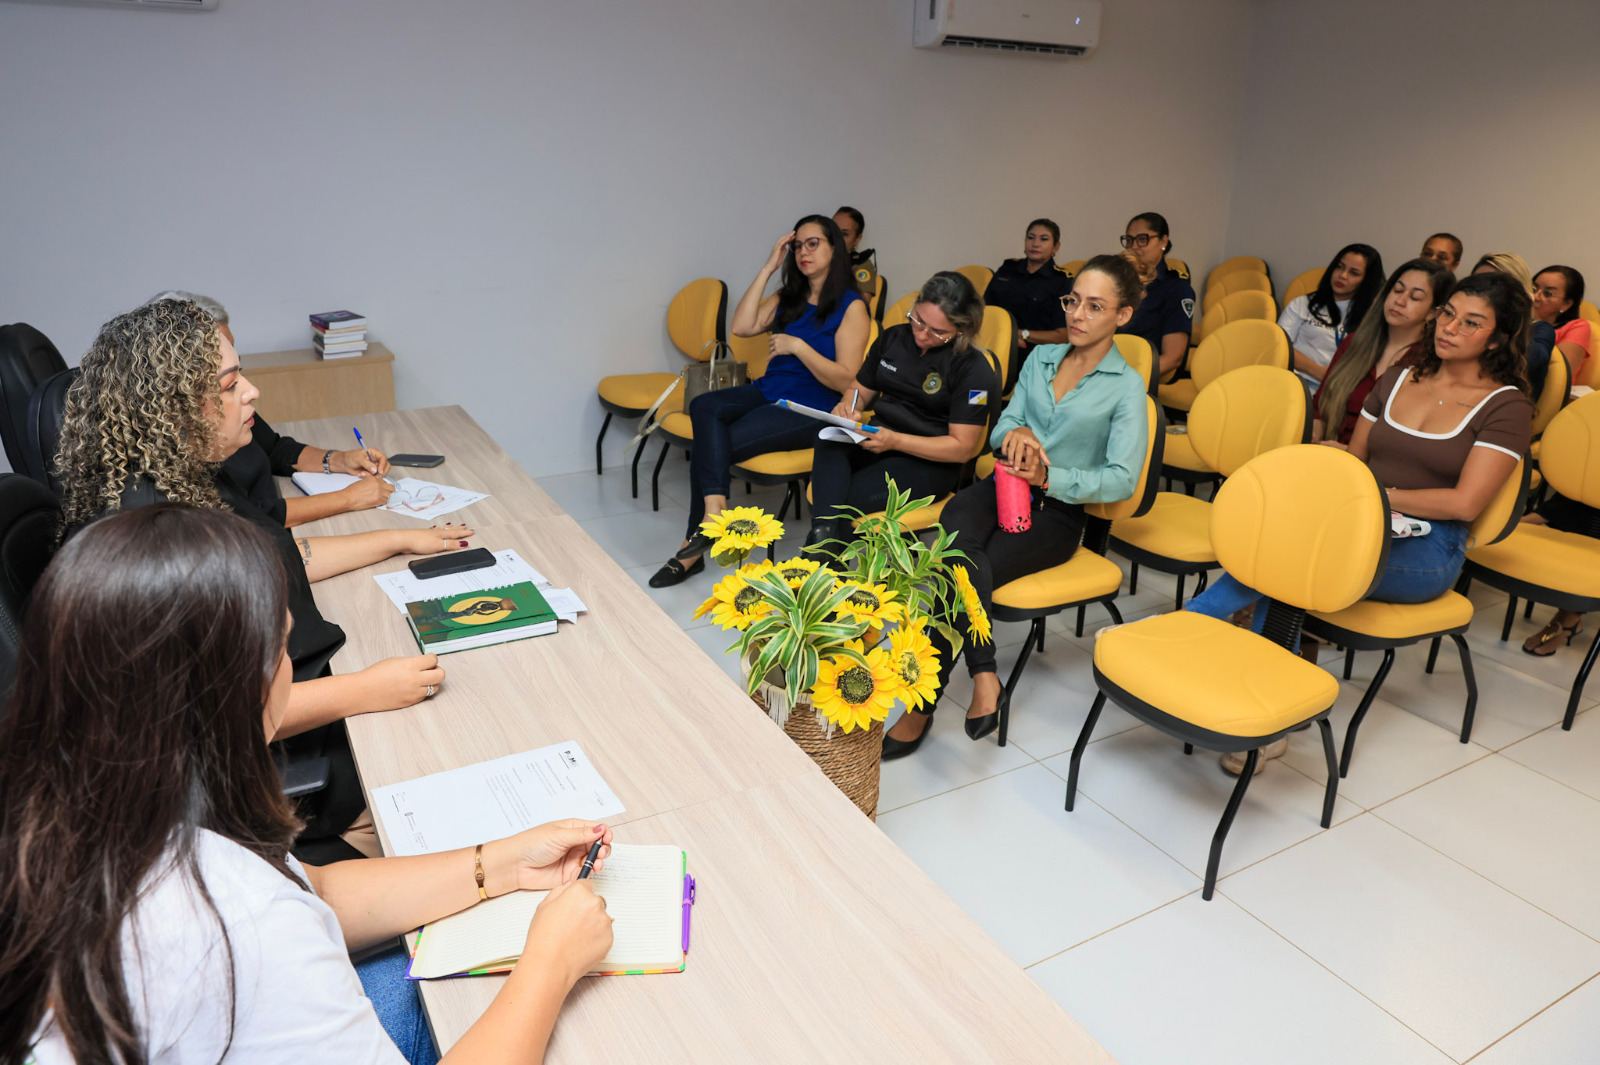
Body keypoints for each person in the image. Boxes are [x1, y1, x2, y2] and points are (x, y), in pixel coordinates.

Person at [2, 505, 616, 1065]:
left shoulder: (66, 809)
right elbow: (274, 913)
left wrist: (502, 864)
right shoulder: (234, 918)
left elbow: (312, 888)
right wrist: (551, 961)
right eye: (280, 647)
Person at [55, 299, 470, 846]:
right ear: (174, 408)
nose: (251, 392)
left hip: (312, 691)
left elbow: (277, 558)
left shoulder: (190, 475)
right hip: (277, 765)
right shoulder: (162, 538)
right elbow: (225, 716)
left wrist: (396, 539)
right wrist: (367, 688)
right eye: (229, 386)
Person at [1189, 272, 1534, 775]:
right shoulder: (1401, 375)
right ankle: (1260, 700)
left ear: (1498, 338)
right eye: (1449, 313)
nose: (1450, 327)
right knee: (1285, 559)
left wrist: (1378, 497)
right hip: (1361, 522)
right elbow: (1357, 457)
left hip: (1431, 548)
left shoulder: (1507, 405)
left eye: (1471, 322)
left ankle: (1203, 639)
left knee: (1290, 568)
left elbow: (1464, 504)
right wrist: (1342, 477)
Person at [883, 255, 1149, 759]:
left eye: (1096, 307)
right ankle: (986, 676)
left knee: (951, 569)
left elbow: (1121, 479)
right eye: (1074, 302)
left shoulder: (1126, 387)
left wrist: (1051, 475)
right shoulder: (1041, 361)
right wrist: (1017, 432)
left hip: (1058, 511)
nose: (1078, 315)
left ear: (1123, 316)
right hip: (1003, 485)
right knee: (956, 525)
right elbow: (1002, 429)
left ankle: (922, 706)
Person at [650, 215, 869, 587]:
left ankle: (691, 549)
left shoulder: (852, 307)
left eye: (813, 243)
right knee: (705, 407)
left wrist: (798, 347)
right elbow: (742, 326)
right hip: (769, 390)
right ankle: (715, 512)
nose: (803, 252)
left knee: (711, 445)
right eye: (797, 246)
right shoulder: (790, 297)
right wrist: (770, 266)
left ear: (835, 248)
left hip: (810, 407)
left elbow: (847, 378)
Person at [148, 291, 395, 528]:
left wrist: (341, 460)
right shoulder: (176, 457)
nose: (252, 391)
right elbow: (248, 518)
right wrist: (347, 499)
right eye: (229, 381)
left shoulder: (235, 410)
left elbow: (276, 449)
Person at [805, 272, 1000, 548]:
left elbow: (962, 448)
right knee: (827, 435)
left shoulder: (972, 367)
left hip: (928, 461)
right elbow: (858, 390)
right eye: (918, 319)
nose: (921, 334)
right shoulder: (894, 338)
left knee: (843, 500)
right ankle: (822, 537)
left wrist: (895, 441)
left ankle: (823, 561)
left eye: (937, 332)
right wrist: (848, 407)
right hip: (879, 437)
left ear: (962, 329)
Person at [1522, 264, 1593, 657]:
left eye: (1549, 293)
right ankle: (1552, 514)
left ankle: (1569, 615)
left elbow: (1561, 371)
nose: (1537, 297)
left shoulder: (1570, 329)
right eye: (1535, 289)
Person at [1313, 258, 1453, 445]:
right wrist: (1315, 432)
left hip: (1377, 466)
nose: (1400, 301)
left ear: (1432, 313)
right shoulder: (1356, 341)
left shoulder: (1430, 363)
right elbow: (1320, 405)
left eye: (1415, 297)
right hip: (1324, 449)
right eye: (1397, 290)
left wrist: (1348, 452)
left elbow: (1407, 442)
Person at [983, 218, 1074, 390]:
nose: (1035, 243)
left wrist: (1021, 334)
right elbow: (986, 311)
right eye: (1030, 237)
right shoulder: (1008, 269)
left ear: (1056, 247)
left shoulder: (1063, 281)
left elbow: (1063, 335)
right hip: (995, 348)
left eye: (1044, 239)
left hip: (1034, 355)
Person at [1276, 244, 1384, 386]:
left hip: (1338, 390)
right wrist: (1320, 372)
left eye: (1354, 273)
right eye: (1339, 267)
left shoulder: (1372, 318)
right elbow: (1280, 348)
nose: (1342, 275)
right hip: (1293, 378)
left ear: (1367, 281)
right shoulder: (1303, 304)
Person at [1115, 211, 1194, 381]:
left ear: (1163, 241)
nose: (1134, 246)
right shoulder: (1119, 282)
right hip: (1109, 368)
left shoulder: (1177, 288)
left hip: (1140, 377)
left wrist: (1125, 381)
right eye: (1129, 240)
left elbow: (1173, 358)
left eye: (1143, 239)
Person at [1472, 252, 1552, 393]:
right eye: (1476, 284)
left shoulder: (1541, 330)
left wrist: (1520, 309)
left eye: (1493, 285)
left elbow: (1519, 362)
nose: (1482, 293)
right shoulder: (1458, 324)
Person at [834, 206, 878, 302]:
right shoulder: (815, 258)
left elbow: (863, 304)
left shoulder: (860, 265)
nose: (837, 237)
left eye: (844, 234)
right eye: (834, 230)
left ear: (857, 239)